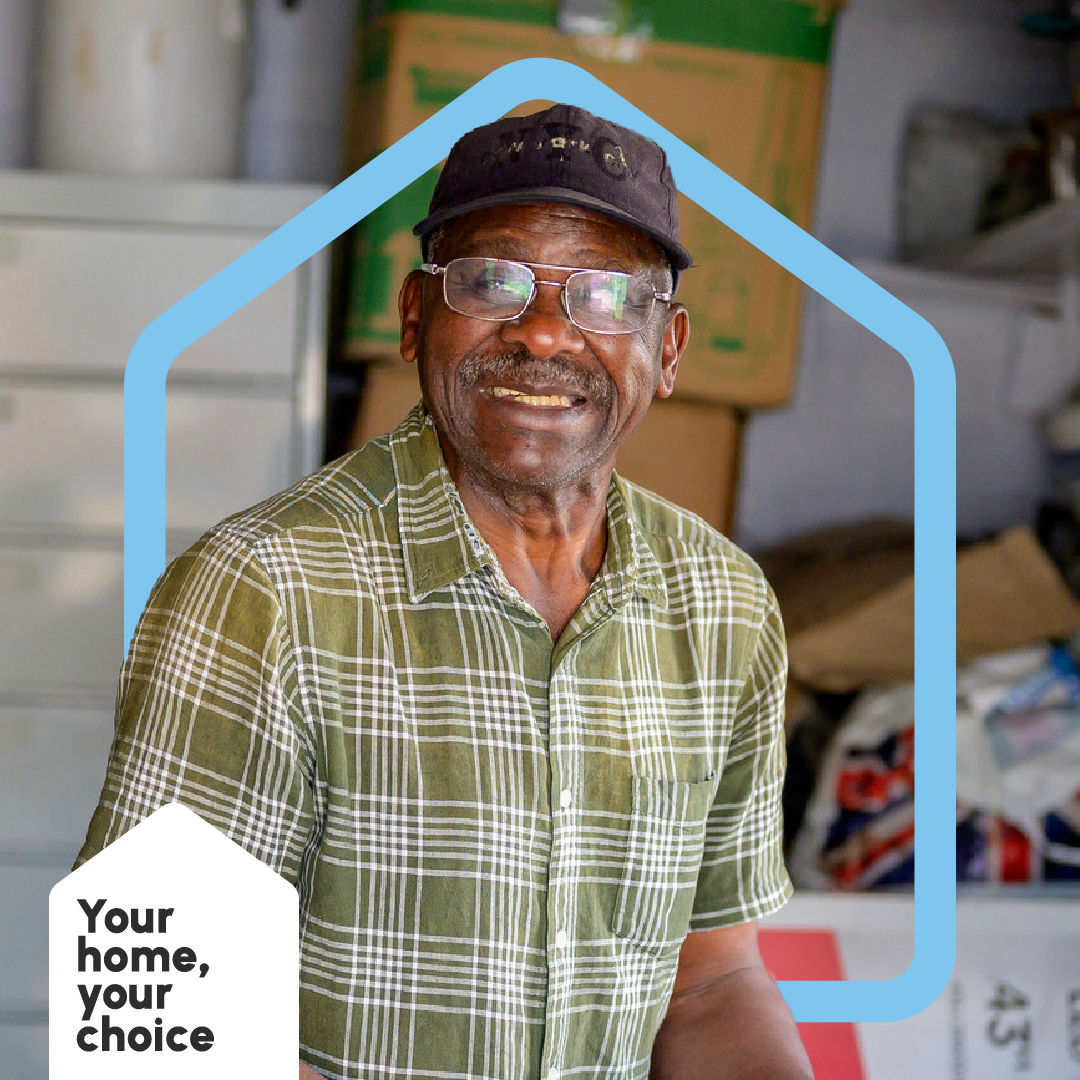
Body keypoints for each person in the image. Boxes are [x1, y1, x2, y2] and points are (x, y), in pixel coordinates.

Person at [77, 104, 812, 1080]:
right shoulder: (265, 587)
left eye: (604, 295)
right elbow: (160, 1010)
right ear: (416, 316)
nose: (547, 332)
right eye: (494, 281)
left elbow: (711, 982)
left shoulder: (725, 609)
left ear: (668, 348)